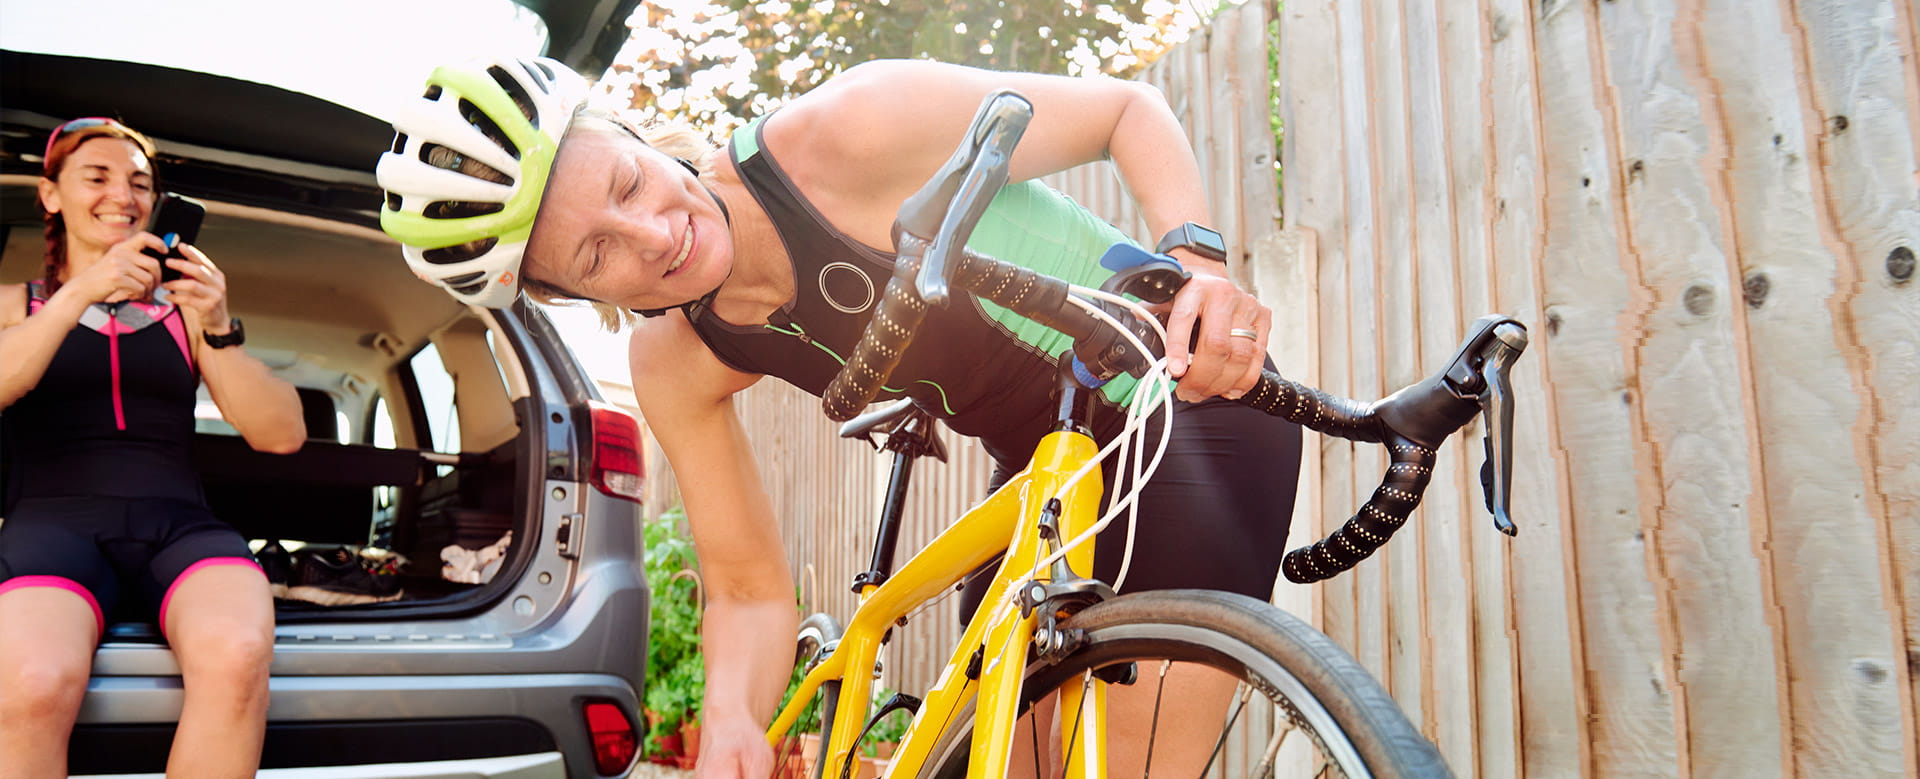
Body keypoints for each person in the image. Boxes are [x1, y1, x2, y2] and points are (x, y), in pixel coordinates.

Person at [378, 57, 1301, 777]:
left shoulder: (845, 133)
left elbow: (1124, 111)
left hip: (1179, 392)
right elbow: (744, 585)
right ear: (567, 294)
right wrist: (735, 718)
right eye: (597, 253)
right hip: (1047, 462)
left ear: (635, 134)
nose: (655, 236)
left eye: (626, 184)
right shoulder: (674, 357)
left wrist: (1202, 268)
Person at [0, 117, 306, 777]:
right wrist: (82, 289)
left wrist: (219, 327)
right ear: (51, 195)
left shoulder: (186, 314)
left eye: (140, 182)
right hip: (52, 527)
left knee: (238, 651)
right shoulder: (12, 303)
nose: (124, 194)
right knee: (32, 678)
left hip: (179, 528)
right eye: (98, 176)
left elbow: (281, 434)